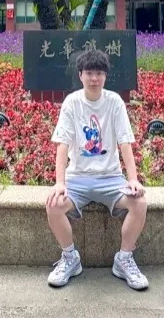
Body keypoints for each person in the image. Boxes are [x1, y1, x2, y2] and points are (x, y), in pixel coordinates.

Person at [45, 48, 148, 291]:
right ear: (80, 75)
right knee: (54, 205)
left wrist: (133, 179)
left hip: (110, 178)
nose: (94, 78)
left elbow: (125, 142)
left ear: (105, 76)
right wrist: (60, 183)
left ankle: (124, 259)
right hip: (77, 178)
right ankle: (70, 258)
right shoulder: (72, 103)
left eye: (99, 73)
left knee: (139, 203)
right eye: (89, 73)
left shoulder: (114, 102)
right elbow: (62, 144)